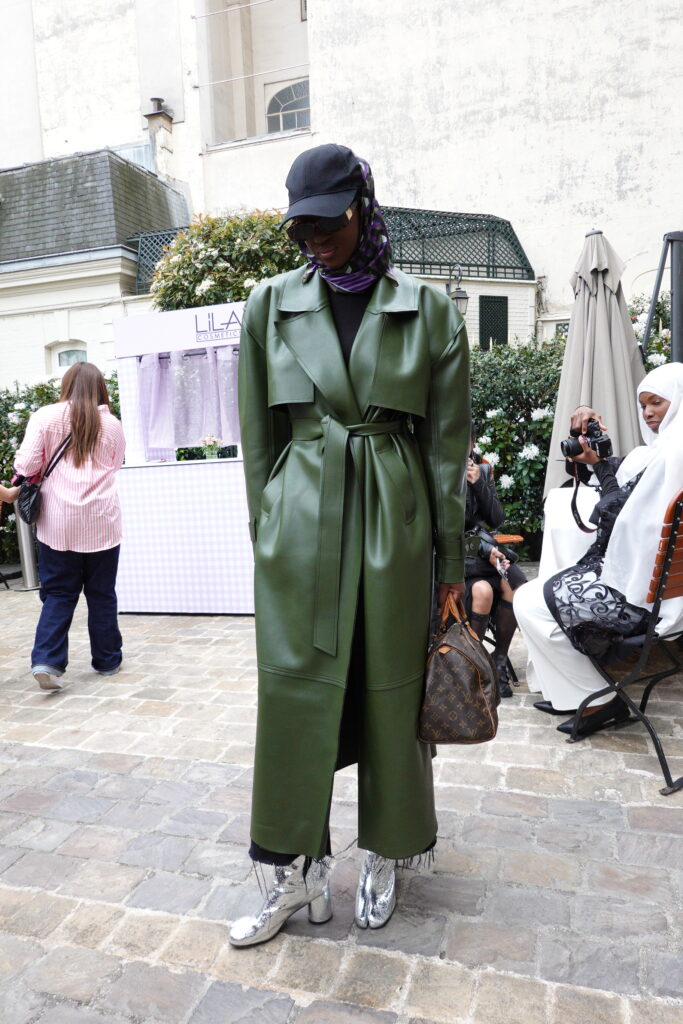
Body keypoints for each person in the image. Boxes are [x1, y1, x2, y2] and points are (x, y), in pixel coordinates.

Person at [230, 143, 470, 946]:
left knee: (391, 692)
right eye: (300, 228)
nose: (315, 241)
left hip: (395, 525)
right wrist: (267, 532)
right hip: (299, 524)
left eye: (327, 224)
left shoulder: (427, 309)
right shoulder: (268, 305)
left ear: (362, 209)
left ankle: (386, 851)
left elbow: (446, 449)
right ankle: (292, 872)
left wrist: (449, 562)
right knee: (290, 695)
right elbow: (258, 438)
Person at [514, 362, 683, 735]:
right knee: (534, 596)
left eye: (657, 402)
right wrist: (600, 463)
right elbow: (629, 499)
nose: (648, 412)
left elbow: (614, 512)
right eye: (643, 405)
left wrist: (601, 468)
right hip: (661, 591)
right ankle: (575, 696)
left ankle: (601, 701)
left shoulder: (673, 455)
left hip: (644, 601)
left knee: (530, 601)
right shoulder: (664, 453)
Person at [13, 363, 125, 691]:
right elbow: (115, 464)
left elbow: (27, 465)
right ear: (100, 387)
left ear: (66, 385)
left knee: (59, 594)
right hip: (102, 520)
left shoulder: (45, 416)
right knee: (102, 594)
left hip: (58, 521)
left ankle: (47, 661)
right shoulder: (112, 424)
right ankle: (107, 660)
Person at [463, 440, 526, 697]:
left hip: (481, 549)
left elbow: (496, 519)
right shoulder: (438, 471)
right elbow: (445, 529)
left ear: (472, 443)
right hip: (454, 554)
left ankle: (498, 663)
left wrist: (479, 483)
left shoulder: (483, 470)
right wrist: (486, 550)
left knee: (515, 585)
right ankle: (474, 666)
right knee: (483, 591)